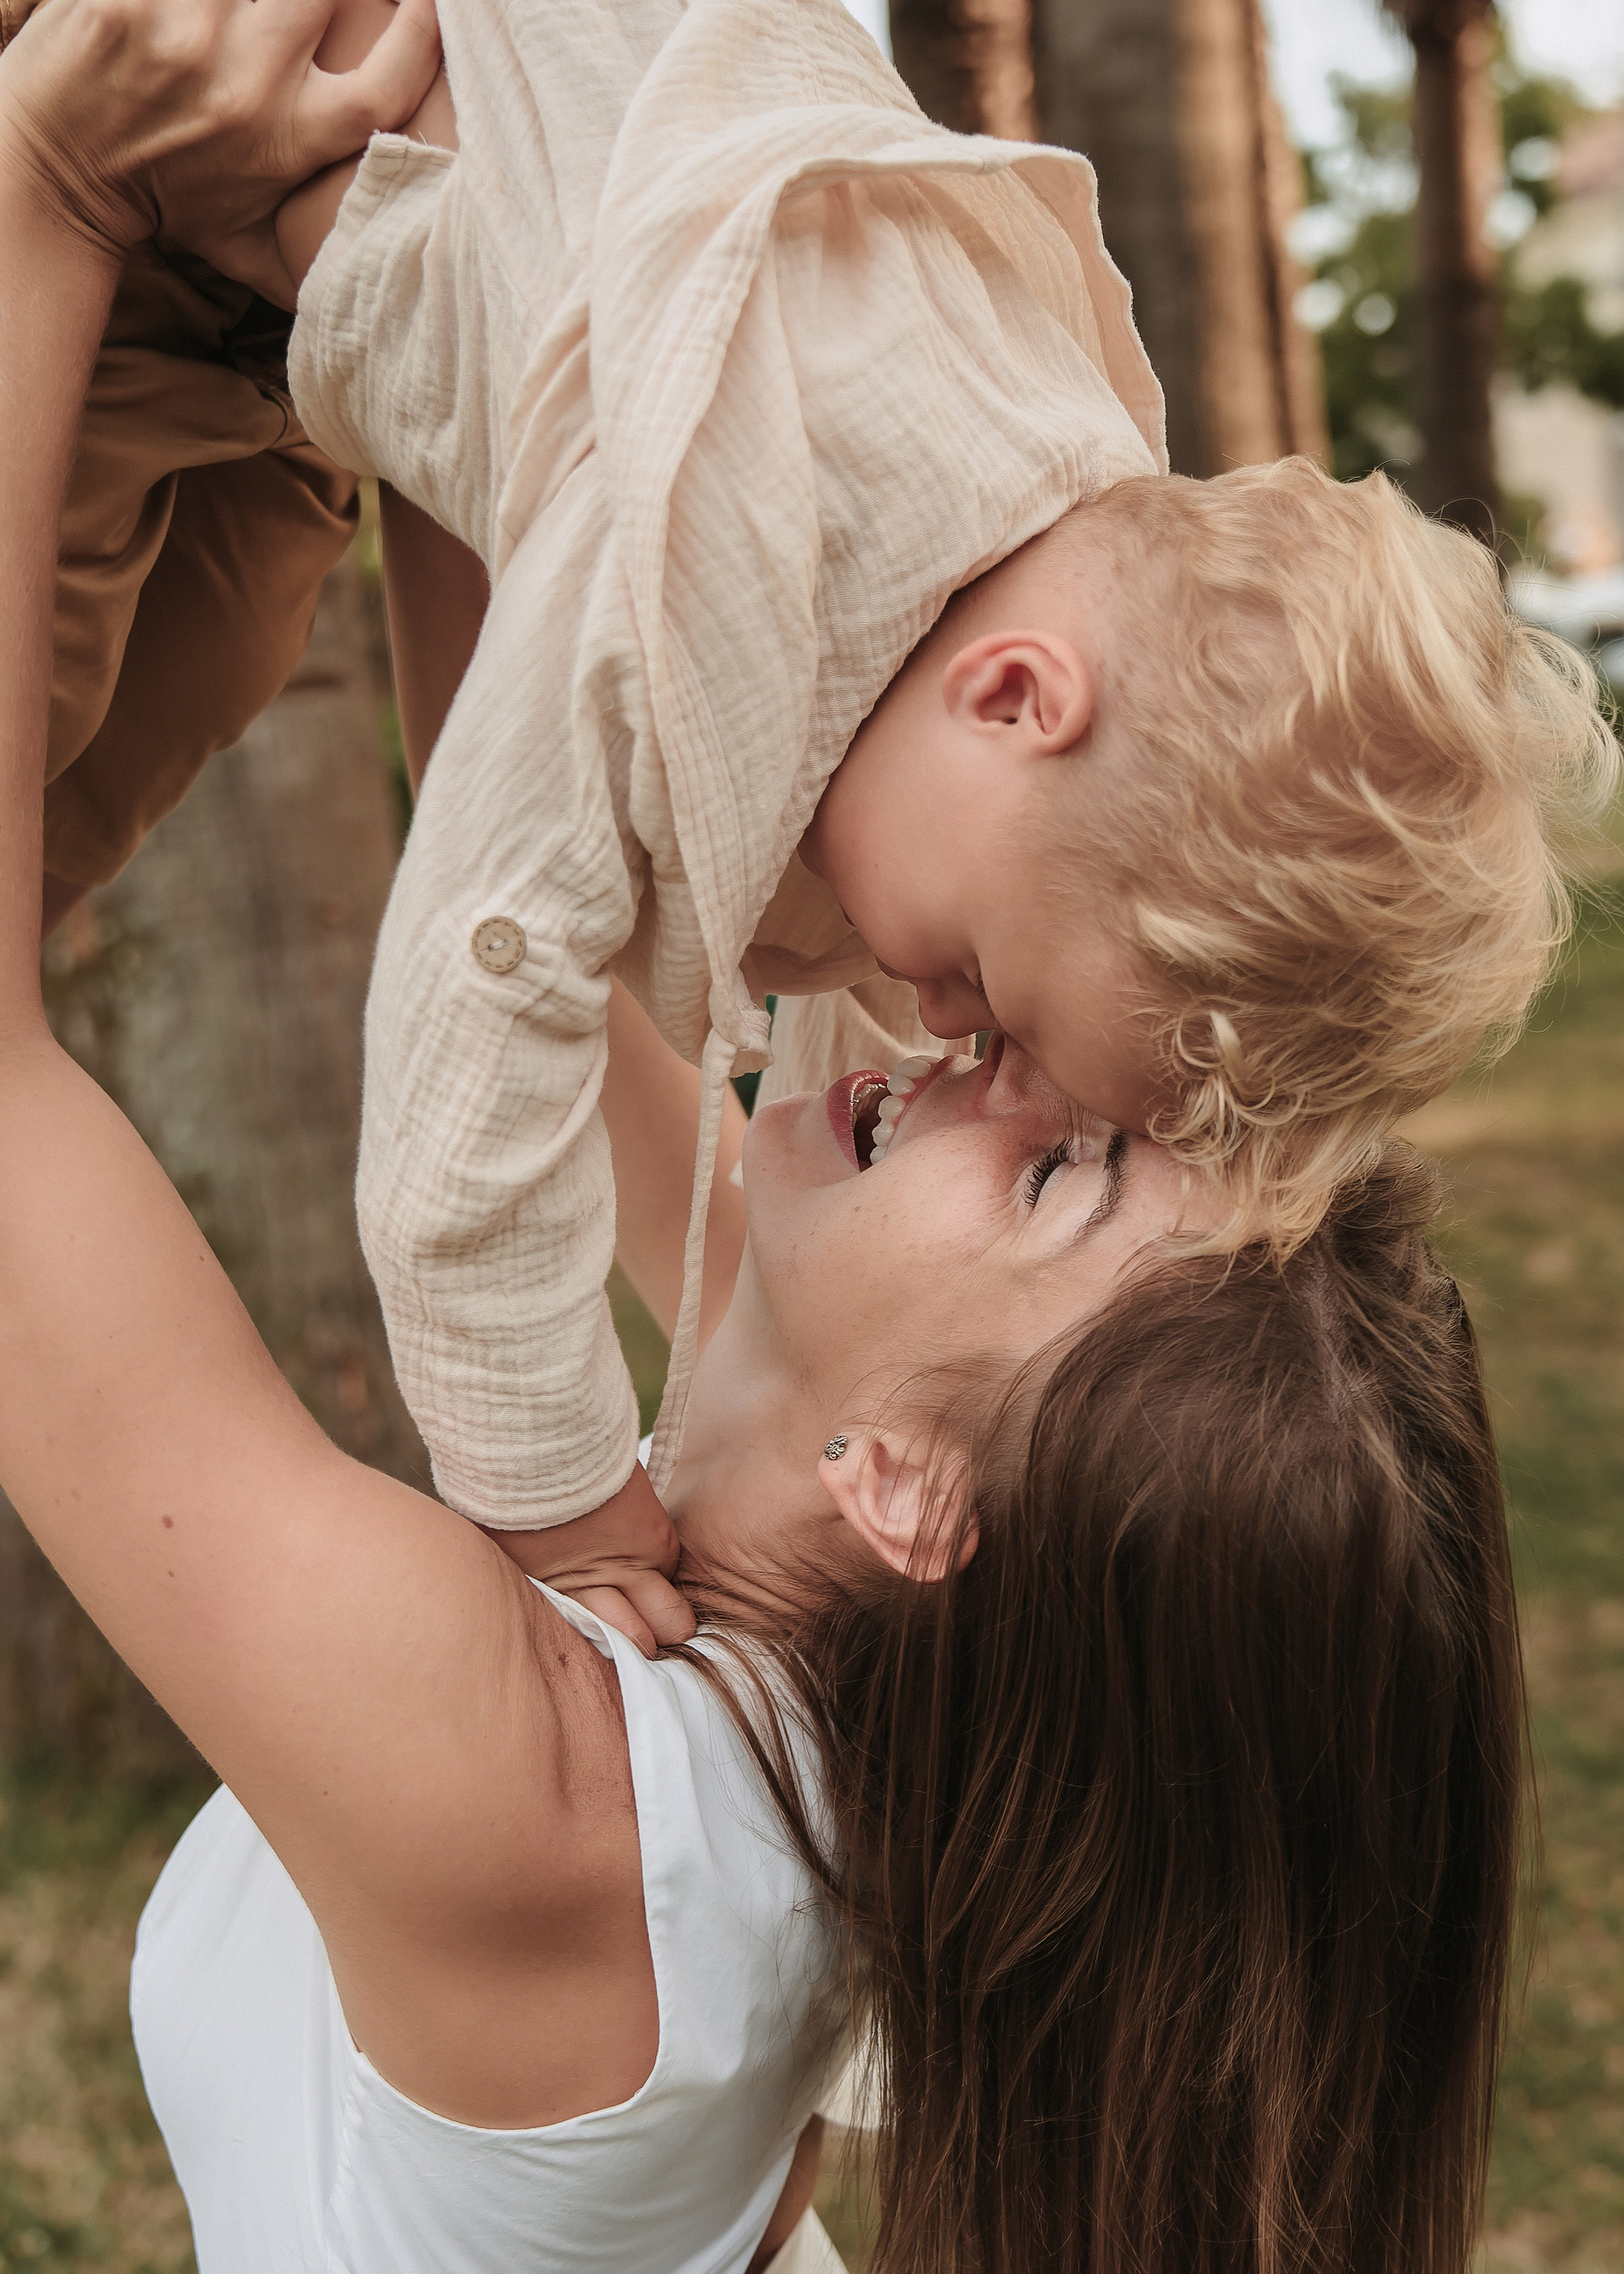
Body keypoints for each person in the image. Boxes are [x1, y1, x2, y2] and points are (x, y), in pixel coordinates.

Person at [0, 23, 1535, 2271]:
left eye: (1059, 1171)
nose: (983, 1058)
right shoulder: (830, 1741)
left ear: (908, 1487)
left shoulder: (530, 1807)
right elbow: (521, 761)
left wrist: (43, 192)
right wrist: (530, 290)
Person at [17, 0, 1614, 1589]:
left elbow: (854, 1093)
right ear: (1013, 698)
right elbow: (479, 985)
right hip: (202, 97)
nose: (930, 1024)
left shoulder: (1019, 588)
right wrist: (552, 1496)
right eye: (980, 989)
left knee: (170, 684)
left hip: (260, 308)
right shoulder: (723, 525)